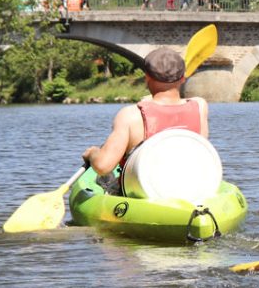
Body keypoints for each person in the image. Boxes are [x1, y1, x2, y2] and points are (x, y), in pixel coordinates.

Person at [82, 47, 209, 195]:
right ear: (182, 78)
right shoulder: (200, 106)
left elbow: (103, 166)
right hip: (189, 189)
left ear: (147, 77)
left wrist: (92, 154)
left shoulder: (130, 115)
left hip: (143, 192)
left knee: (103, 178)